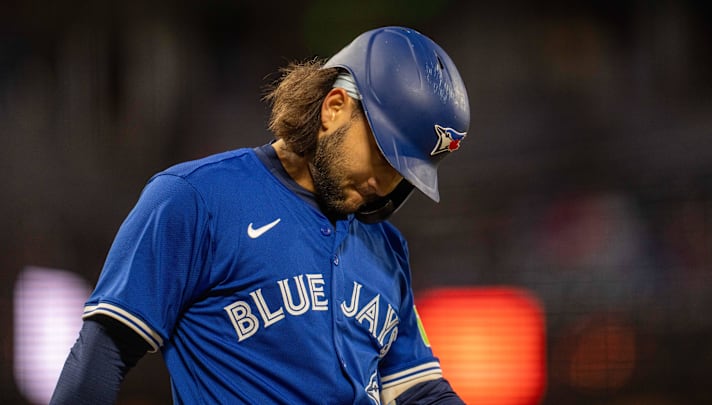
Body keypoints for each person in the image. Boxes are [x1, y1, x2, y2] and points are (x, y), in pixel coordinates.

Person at [50, 26, 470, 404]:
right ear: (334, 107)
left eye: (402, 172)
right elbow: (103, 354)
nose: (386, 183)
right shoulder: (196, 199)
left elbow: (420, 393)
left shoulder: (387, 249)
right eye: (383, 156)